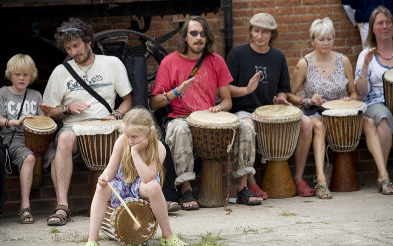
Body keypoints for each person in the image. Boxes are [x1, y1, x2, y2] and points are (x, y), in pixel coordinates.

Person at [150, 16, 263, 208]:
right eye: (193, 33)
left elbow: (227, 100)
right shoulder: (169, 62)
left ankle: (242, 189)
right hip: (181, 118)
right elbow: (154, 103)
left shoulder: (216, 61)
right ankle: (186, 190)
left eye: (202, 34)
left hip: (210, 119)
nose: (198, 37)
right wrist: (177, 91)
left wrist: (218, 108)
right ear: (185, 37)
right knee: (180, 130)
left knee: (245, 126)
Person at [40, 18, 133, 226]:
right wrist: (67, 108)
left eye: (76, 46)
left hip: (105, 125)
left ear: (88, 42)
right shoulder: (60, 72)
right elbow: (48, 112)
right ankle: (62, 206)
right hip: (74, 127)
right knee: (63, 138)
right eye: (68, 48)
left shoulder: (111, 63)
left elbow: (128, 100)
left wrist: (117, 114)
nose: (73, 52)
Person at [289, 17, 393, 197]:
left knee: (368, 123)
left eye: (329, 38)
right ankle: (320, 180)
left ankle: (383, 176)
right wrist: (308, 100)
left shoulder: (342, 60)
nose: (326, 43)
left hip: (342, 112)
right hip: (316, 111)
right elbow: (290, 94)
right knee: (319, 127)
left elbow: (354, 92)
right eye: (321, 39)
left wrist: (349, 99)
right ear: (313, 40)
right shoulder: (304, 63)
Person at [226, 13, 314, 198]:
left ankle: (298, 178)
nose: (260, 36)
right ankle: (251, 183)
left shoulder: (278, 57)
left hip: (272, 111)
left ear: (272, 34)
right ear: (250, 32)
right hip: (245, 110)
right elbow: (225, 90)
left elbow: (283, 89)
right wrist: (246, 90)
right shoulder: (237, 55)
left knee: (306, 123)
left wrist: (279, 100)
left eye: (264, 32)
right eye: (256, 31)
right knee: (248, 126)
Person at [80, 108, 187, 246]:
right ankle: (92, 240)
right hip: (122, 182)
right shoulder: (122, 141)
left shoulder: (159, 147)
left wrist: (135, 152)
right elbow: (110, 169)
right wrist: (104, 177)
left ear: (149, 132)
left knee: (154, 186)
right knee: (100, 188)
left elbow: (147, 178)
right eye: (127, 135)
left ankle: (168, 236)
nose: (130, 141)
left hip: (141, 185)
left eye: (135, 137)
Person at [0, 54, 47, 222]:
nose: (22, 78)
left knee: (57, 151)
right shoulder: (2, 93)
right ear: (10, 74)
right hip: (13, 139)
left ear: (32, 76)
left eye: (26, 74)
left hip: (34, 139)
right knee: (29, 158)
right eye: (18, 74)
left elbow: (43, 121)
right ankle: (25, 206)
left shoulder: (36, 95)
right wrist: (15, 122)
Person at [355, 6, 393, 174]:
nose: (385, 26)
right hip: (375, 102)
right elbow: (361, 93)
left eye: (388, 22)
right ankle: (382, 175)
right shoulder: (365, 54)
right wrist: (365, 65)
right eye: (380, 23)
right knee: (383, 117)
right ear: (372, 29)